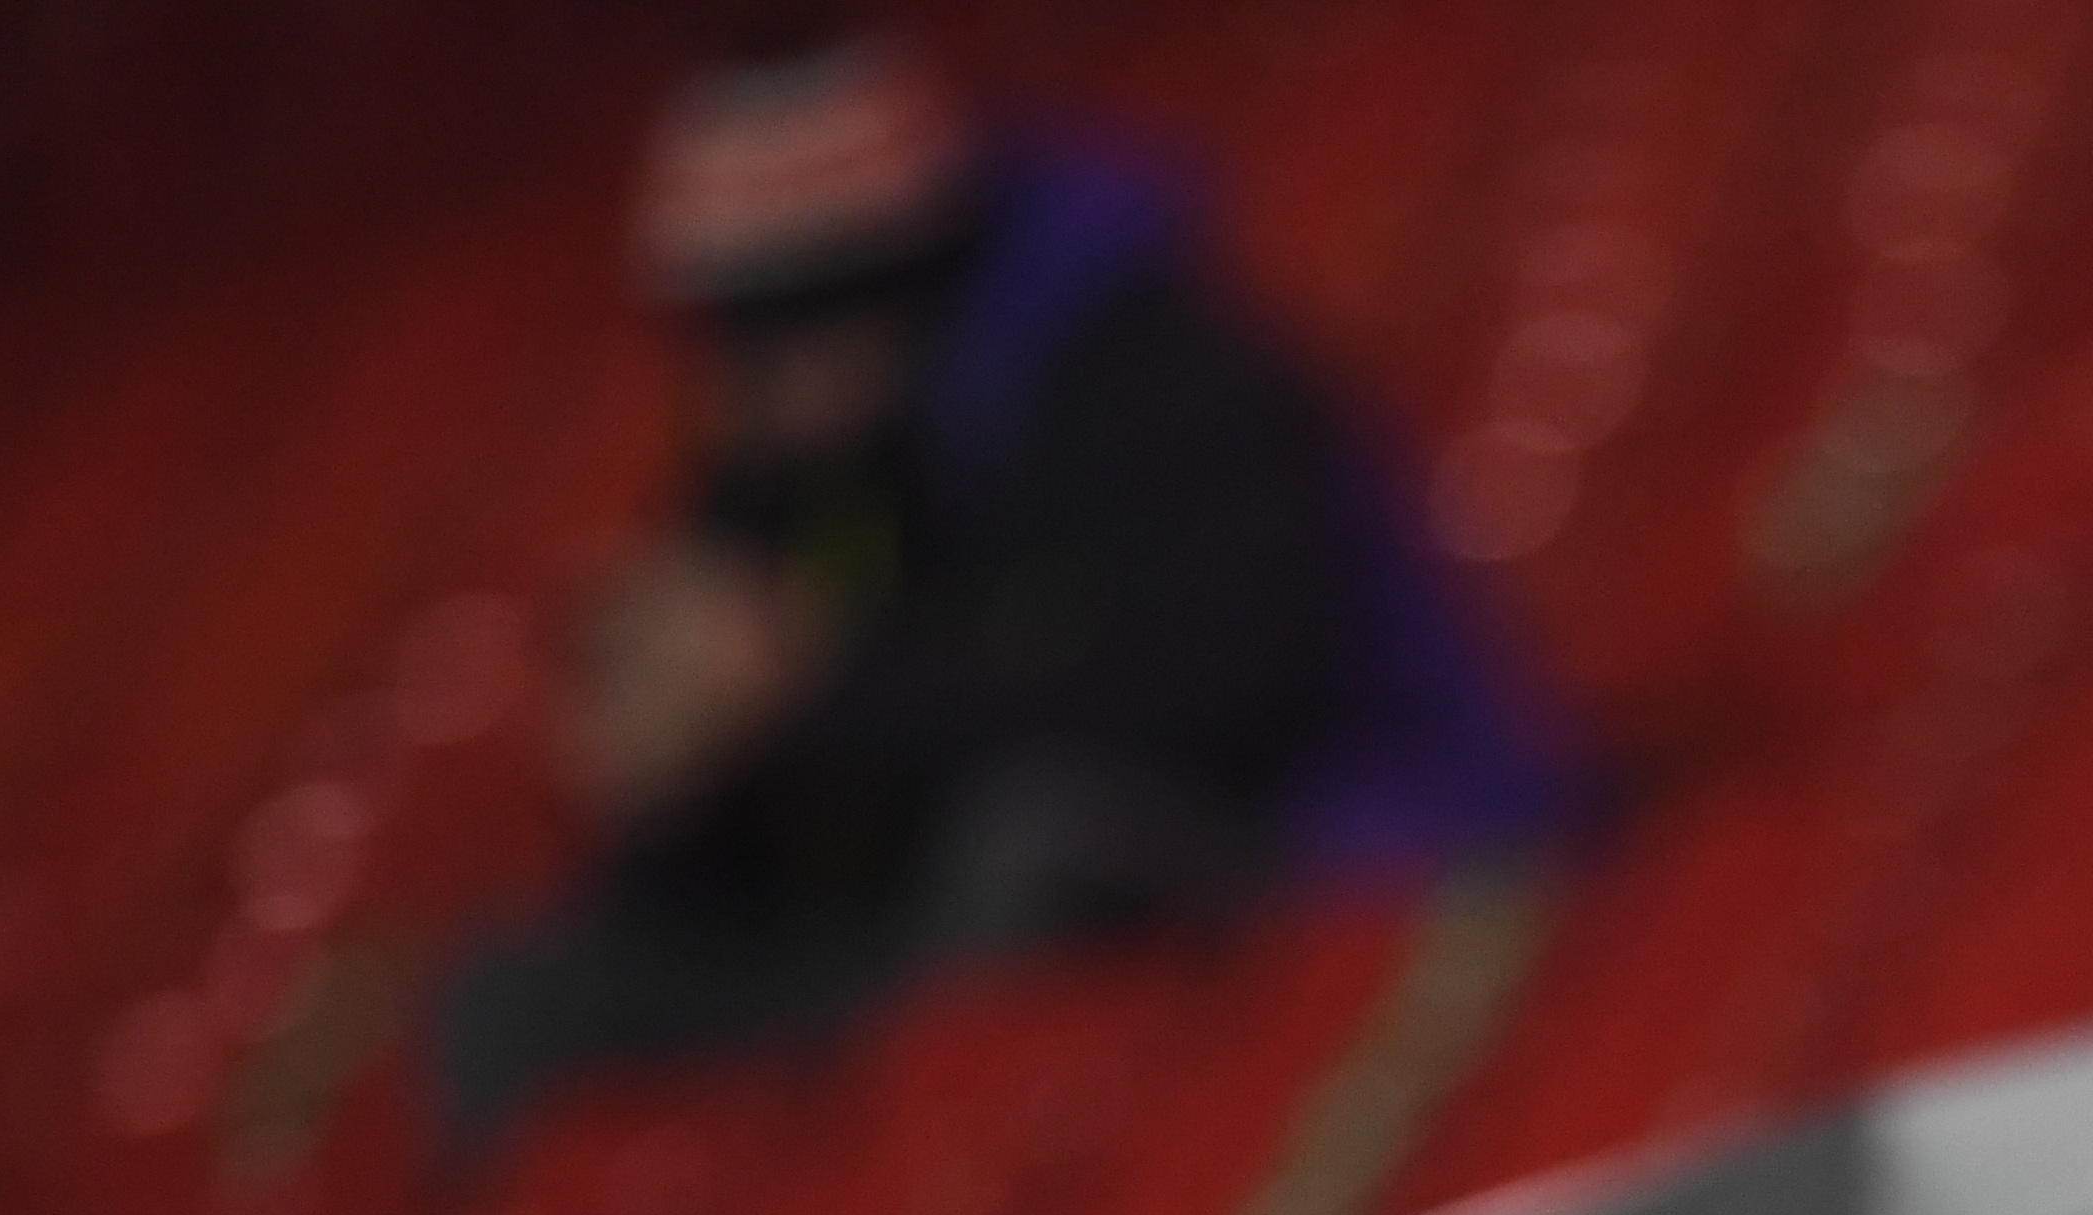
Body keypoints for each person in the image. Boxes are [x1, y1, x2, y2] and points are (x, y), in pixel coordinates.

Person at [434, 29, 1563, 1141]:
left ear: (898, 293)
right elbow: (780, 800)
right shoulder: (797, 475)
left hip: (1330, 862)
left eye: (789, 344)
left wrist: (810, 688)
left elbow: (1209, 702)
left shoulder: (1153, 379)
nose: (761, 399)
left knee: (1039, 853)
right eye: (734, 355)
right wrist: (678, 779)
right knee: (522, 1000)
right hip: (920, 937)